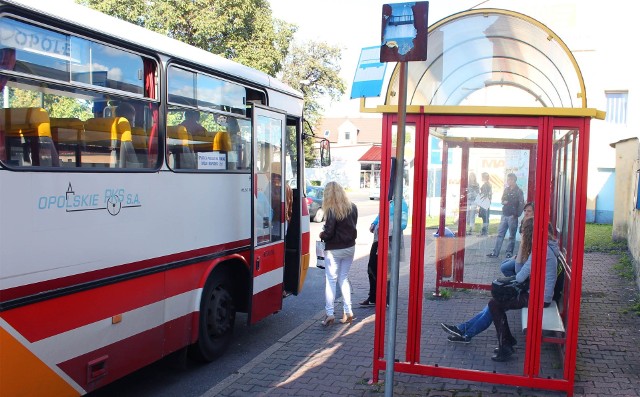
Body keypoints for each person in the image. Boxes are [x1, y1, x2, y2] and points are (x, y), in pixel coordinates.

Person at [441, 218, 559, 363]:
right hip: (537, 294)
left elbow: (520, 276)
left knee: (495, 304)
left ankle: (504, 344)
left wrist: (522, 246)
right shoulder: (546, 247)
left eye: (525, 234)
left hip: (538, 297)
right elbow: (520, 273)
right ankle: (499, 340)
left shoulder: (542, 250)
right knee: (495, 303)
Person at [319, 181, 358, 326]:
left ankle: (329, 314)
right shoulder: (352, 207)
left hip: (334, 249)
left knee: (331, 281)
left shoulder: (331, 210)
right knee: (343, 278)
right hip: (350, 247)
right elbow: (352, 226)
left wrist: (322, 234)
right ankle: (348, 311)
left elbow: (329, 233)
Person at [360, 197, 409, 307]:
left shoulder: (402, 204)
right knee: (372, 267)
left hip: (391, 241)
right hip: (379, 239)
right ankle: (373, 297)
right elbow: (380, 215)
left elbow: (403, 224)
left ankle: (388, 299)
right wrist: (374, 223)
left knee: (388, 271)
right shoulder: (388, 202)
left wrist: (388, 226)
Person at [487, 173, 525, 258]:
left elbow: (521, 204)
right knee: (500, 234)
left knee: (512, 236)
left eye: (509, 180)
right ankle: (495, 252)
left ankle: (509, 253)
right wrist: (503, 202)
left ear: (513, 180)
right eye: (507, 180)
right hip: (504, 214)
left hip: (512, 216)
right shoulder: (506, 190)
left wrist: (516, 215)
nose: (508, 181)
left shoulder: (519, 191)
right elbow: (502, 199)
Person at [500, 202, 534, 276]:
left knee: (504, 267)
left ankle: (517, 283)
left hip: (528, 257)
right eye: (525, 210)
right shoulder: (524, 221)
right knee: (504, 263)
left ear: (534, 212)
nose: (526, 213)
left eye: (529, 211)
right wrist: (516, 255)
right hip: (523, 253)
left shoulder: (533, 225)